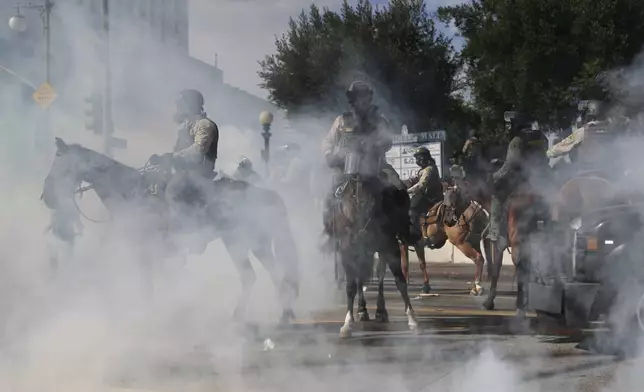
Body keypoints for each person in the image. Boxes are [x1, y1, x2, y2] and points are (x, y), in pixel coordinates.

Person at [321, 81, 412, 243]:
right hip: (346, 168)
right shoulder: (342, 120)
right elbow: (328, 141)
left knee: (399, 187)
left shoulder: (379, 119)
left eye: (367, 96)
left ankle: (405, 228)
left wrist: (377, 144)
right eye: (360, 97)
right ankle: (329, 232)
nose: (364, 100)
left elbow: (388, 139)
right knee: (329, 196)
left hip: (375, 166)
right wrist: (329, 155)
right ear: (353, 99)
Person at [153, 89, 219, 252]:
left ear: (189, 105)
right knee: (154, 186)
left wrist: (173, 156)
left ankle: (193, 232)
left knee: (174, 189)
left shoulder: (204, 125)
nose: (177, 108)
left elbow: (199, 150)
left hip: (199, 174)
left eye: (180, 105)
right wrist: (163, 160)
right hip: (184, 172)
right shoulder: (186, 127)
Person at [486, 112, 548, 249]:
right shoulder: (541, 136)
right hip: (542, 181)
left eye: (509, 124)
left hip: (521, 182)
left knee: (496, 199)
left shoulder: (517, 141)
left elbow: (509, 166)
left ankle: (495, 234)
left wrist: (494, 176)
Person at [404, 147, 444, 247]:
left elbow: (421, 184)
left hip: (430, 197)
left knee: (412, 207)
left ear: (426, 158)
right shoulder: (426, 169)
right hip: (431, 195)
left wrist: (406, 191)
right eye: (416, 158)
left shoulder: (429, 169)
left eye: (420, 158)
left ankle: (414, 235)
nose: (418, 160)